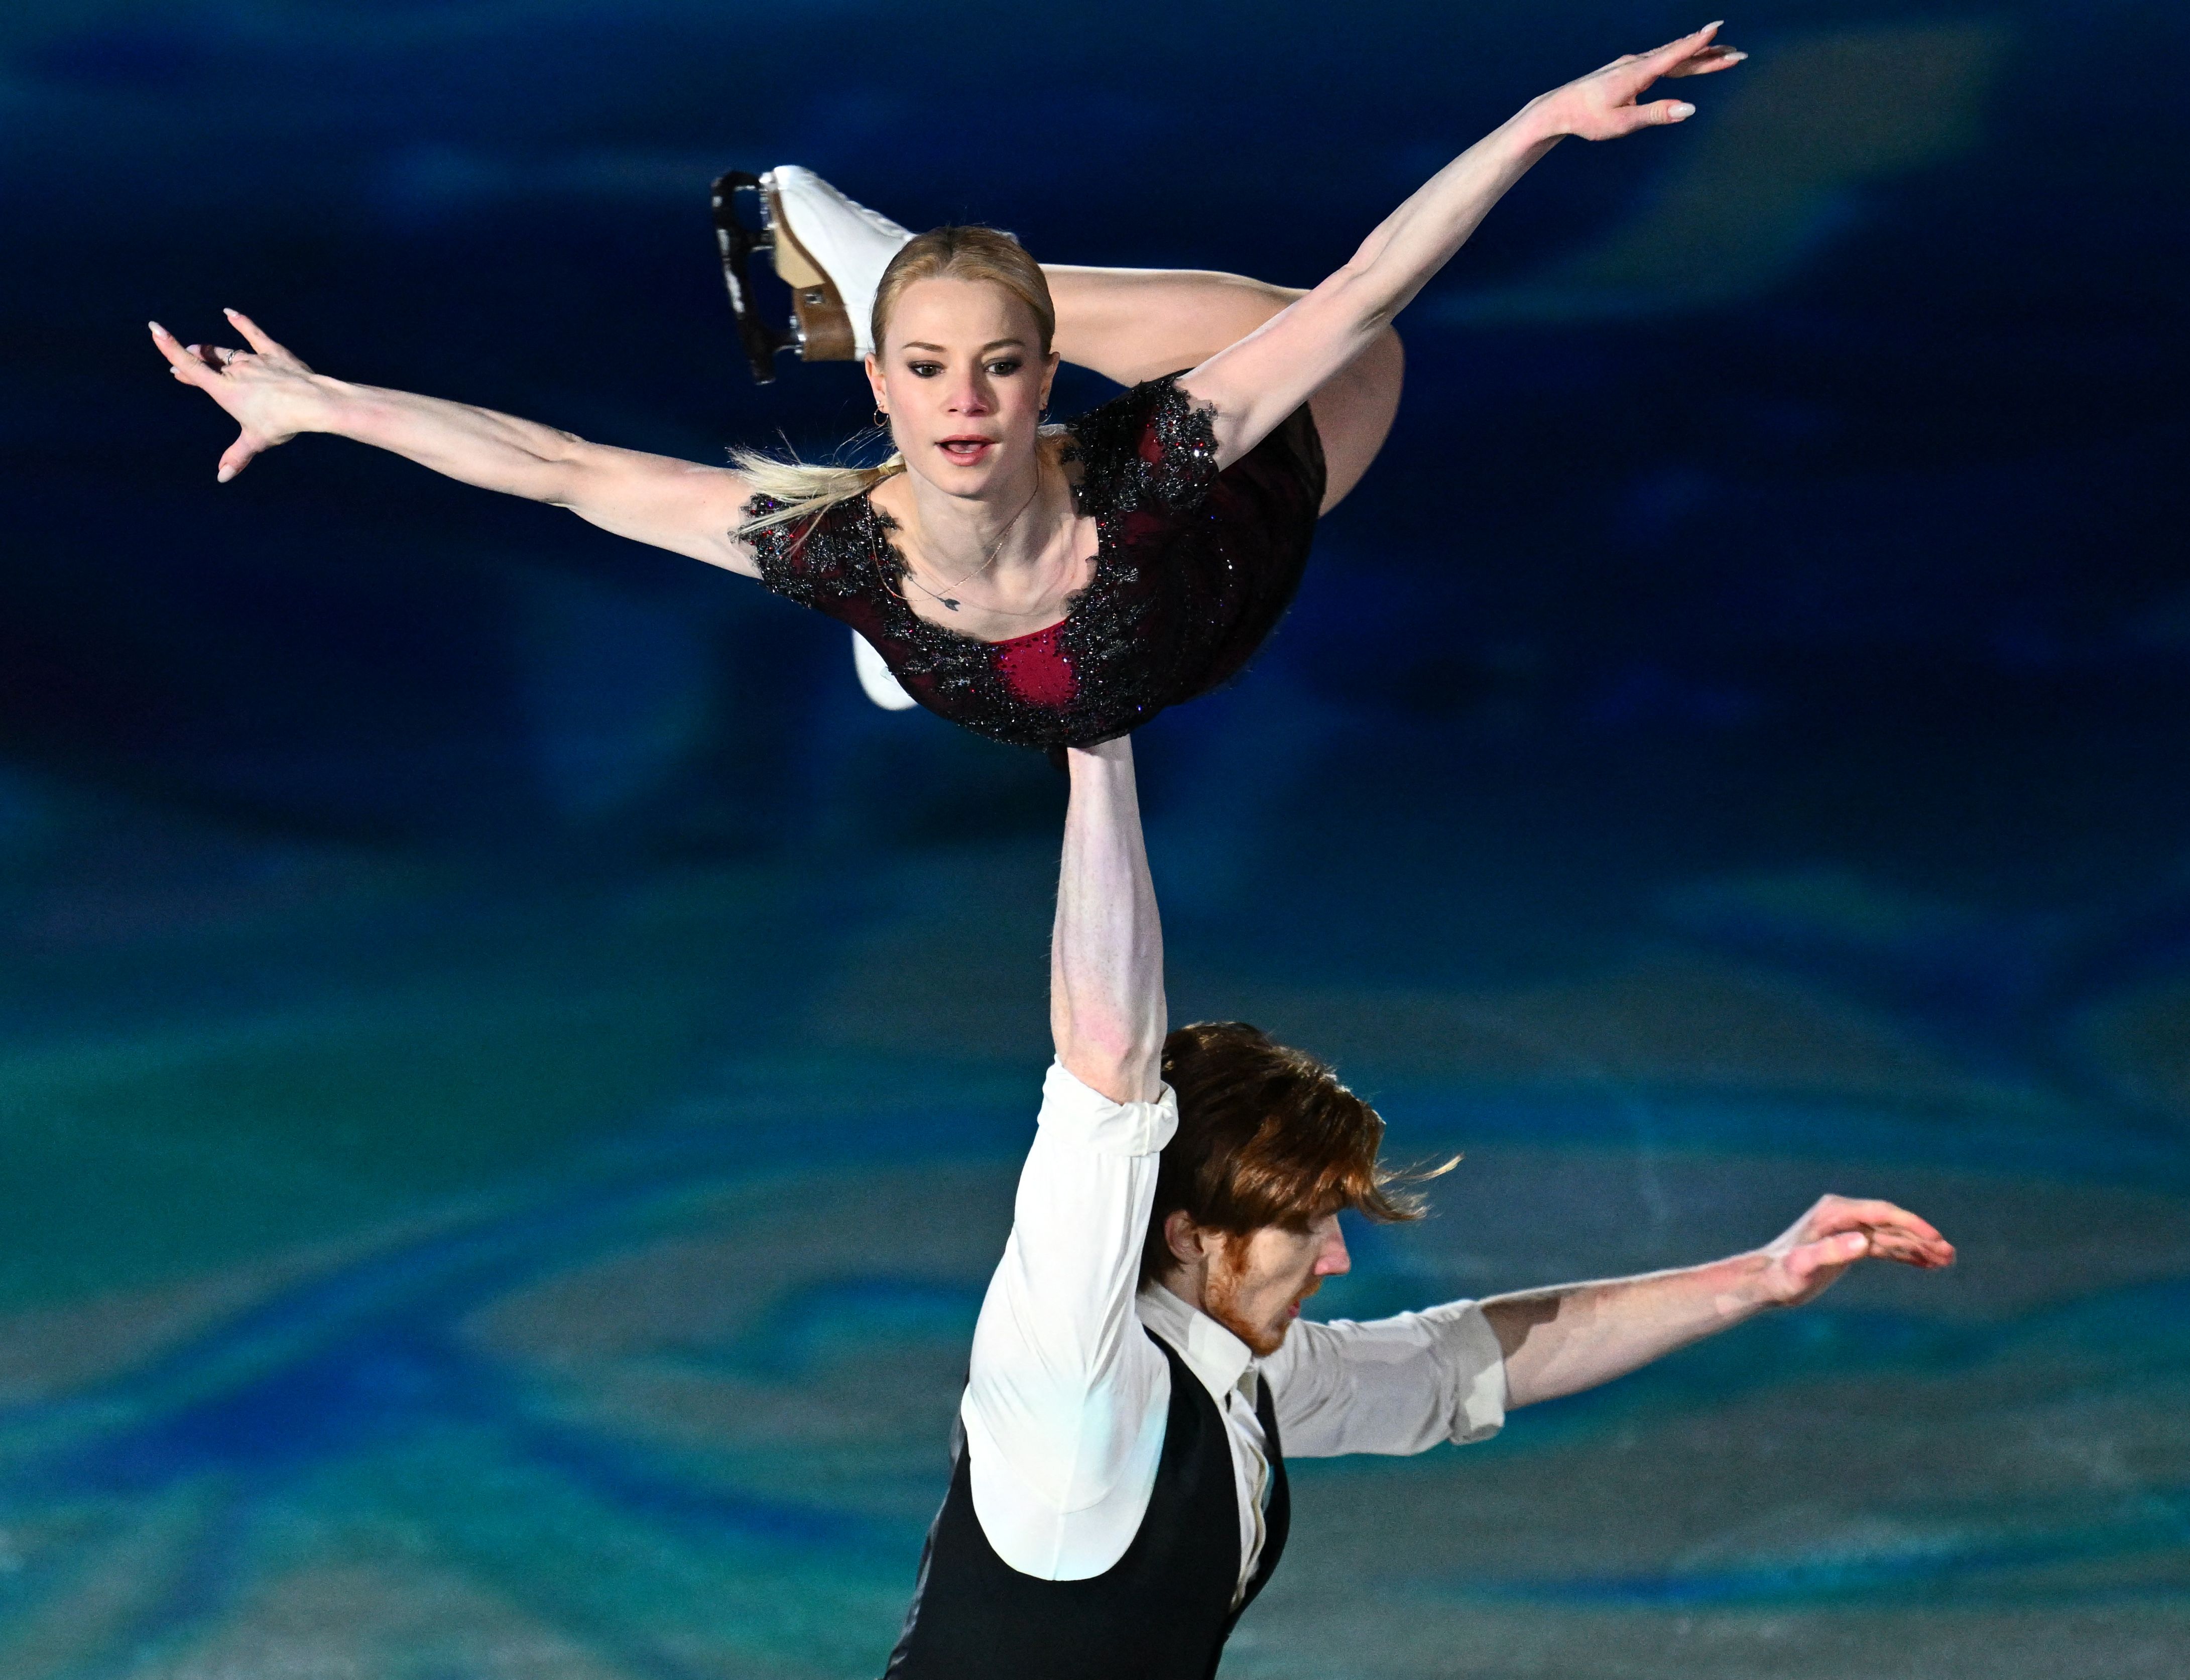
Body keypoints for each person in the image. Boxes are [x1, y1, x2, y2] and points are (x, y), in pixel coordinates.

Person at [151, 27, 1750, 750]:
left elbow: (1370, 285)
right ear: (893, 403)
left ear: (1046, 380)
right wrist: (326, 405)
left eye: (1001, 368)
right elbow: (562, 468)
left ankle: (899, 270)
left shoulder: (1156, 455)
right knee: (913, 658)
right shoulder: (836, 548)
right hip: (1001, 653)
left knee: (1356, 345)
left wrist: (1541, 120)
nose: (972, 403)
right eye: (930, 373)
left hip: (1248, 519)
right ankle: (887, 272)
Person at [902, 729, 1954, 1677]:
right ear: (1185, 1230)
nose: (1336, 1259)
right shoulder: (1068, 1384)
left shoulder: (1227, 1375)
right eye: (1305, 1222)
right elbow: (1103, 1056)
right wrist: (1099, 737)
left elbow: (1453, 1367)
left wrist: (1757, 1278)